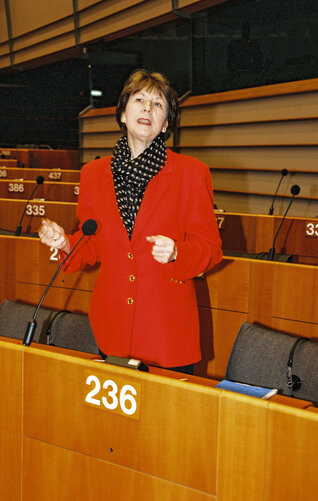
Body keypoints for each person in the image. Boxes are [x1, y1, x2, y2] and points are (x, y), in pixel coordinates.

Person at [39, 69, 222, 374]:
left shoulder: (192, 173)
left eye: (158, 104)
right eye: (139, 99)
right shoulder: (94, 174)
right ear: (123, 114)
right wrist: (64, 243)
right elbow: (93, 243)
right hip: (112, 326)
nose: (147, 108)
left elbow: (211, 248)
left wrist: (178, 252)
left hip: (167, 332)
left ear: (165, 125)